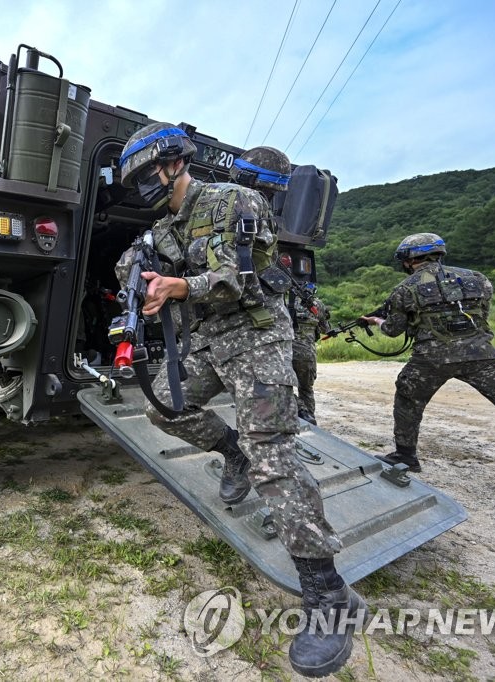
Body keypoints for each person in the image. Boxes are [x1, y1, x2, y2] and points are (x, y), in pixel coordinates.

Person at [116, 126, 364, 678]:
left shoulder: (237, 201)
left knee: (272, 455)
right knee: (161, 408)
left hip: (257, 335)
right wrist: (141, 280)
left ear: (173, 164)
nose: (140, 189)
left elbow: (239, 278)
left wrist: (181, 288)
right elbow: (131, 260)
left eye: (143, 176)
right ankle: (232, 453)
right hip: (207, 342)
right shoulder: (164, 228)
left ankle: (327, 593)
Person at [362, 233, 495, 471]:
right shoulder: (477, 278)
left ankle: (405, 456)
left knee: (408, 399)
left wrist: (376, 321)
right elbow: (482, 316)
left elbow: (393, 330)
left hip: (431, 360)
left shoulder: (405, 288)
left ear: (409, 259)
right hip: (482, 355)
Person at [289, 284, 331, 424]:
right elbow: (326, 329)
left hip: (286, 351)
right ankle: (309, 419)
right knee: (306, 389)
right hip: (307, 354)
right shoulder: (317, 304)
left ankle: (299, 410)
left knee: (283, 387)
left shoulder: (285, 301)